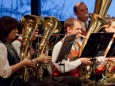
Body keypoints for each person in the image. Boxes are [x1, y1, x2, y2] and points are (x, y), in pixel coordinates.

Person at [0, 16, 35, 86]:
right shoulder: (1, 46)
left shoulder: (8, 44)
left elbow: (15, 61)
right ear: (7, 29)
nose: (17, 31)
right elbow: (5, 72)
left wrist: (28, 55)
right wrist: (23, 63)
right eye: (14, 28)